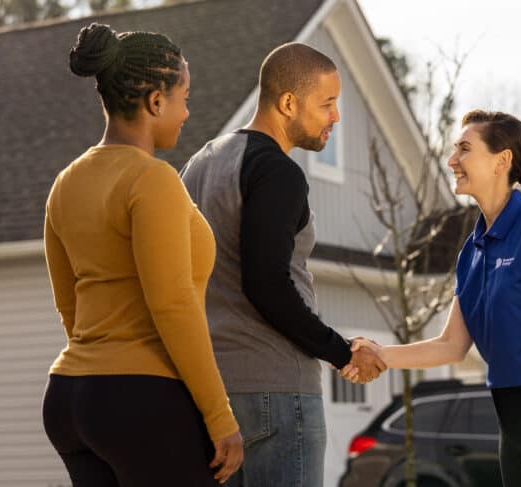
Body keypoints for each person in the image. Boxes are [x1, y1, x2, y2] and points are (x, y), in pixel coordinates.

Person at [347, 110, 521, 487]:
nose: (452, 161)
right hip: (508, 418)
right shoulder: (472, 250)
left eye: (464, 149)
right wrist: (381, 354)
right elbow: (452, 345)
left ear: (502, 161)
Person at [41, 23, 242, 486]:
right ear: (156, 101)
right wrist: (219, 416)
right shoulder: (152, 180)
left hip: (70, 398)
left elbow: (68, 303)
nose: (187, 113)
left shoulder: (65, 182)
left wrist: (99, 372)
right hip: (139, 398)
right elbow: (172, 304)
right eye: (184, 98)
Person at [180, 42, 387, 486]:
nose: (336, 117)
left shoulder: (197, 166)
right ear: (288, 102)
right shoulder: (276, 171)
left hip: (209, 395)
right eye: (327, 104)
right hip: (277, 393)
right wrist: (341, 350)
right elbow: (267, 283)